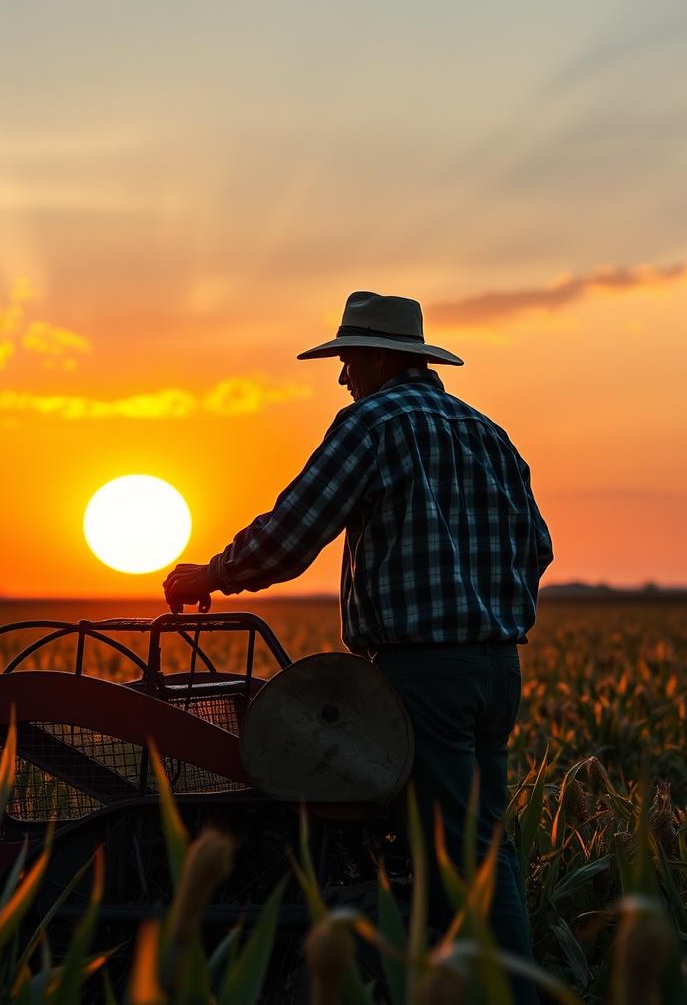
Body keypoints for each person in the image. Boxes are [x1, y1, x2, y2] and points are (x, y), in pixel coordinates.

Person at [163, 291, 552, 1000]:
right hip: (497, 668)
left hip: (421, 672)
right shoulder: (488, 432)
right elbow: (539, 546)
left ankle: (500, 991)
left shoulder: (373, 423)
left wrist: (213, 574)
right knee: (482, 843)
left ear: (375, 357)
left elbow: (292, 533)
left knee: (456, 854)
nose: (343, 376)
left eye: (345, 360)